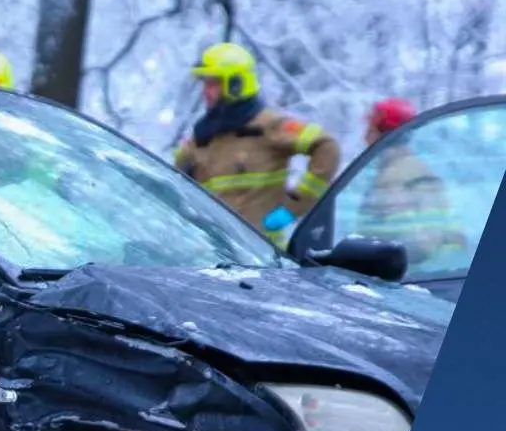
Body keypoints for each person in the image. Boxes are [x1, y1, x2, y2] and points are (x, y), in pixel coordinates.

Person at [173, 42, 340, 248]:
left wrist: (294, 206)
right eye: (205, 84)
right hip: (213, 254)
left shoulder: (269, 125)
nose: (205, 92)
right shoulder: (202, 137)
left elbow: (327, 147)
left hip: (262, 256)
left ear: (235, 85)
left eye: (213, 84)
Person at [355, 97, 467, 268]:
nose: (364, 137)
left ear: (384, 134)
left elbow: (422, 241)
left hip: (410, 277)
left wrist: (377, 263)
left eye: (370, 129)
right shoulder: (402, 169)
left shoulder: (398, 177)